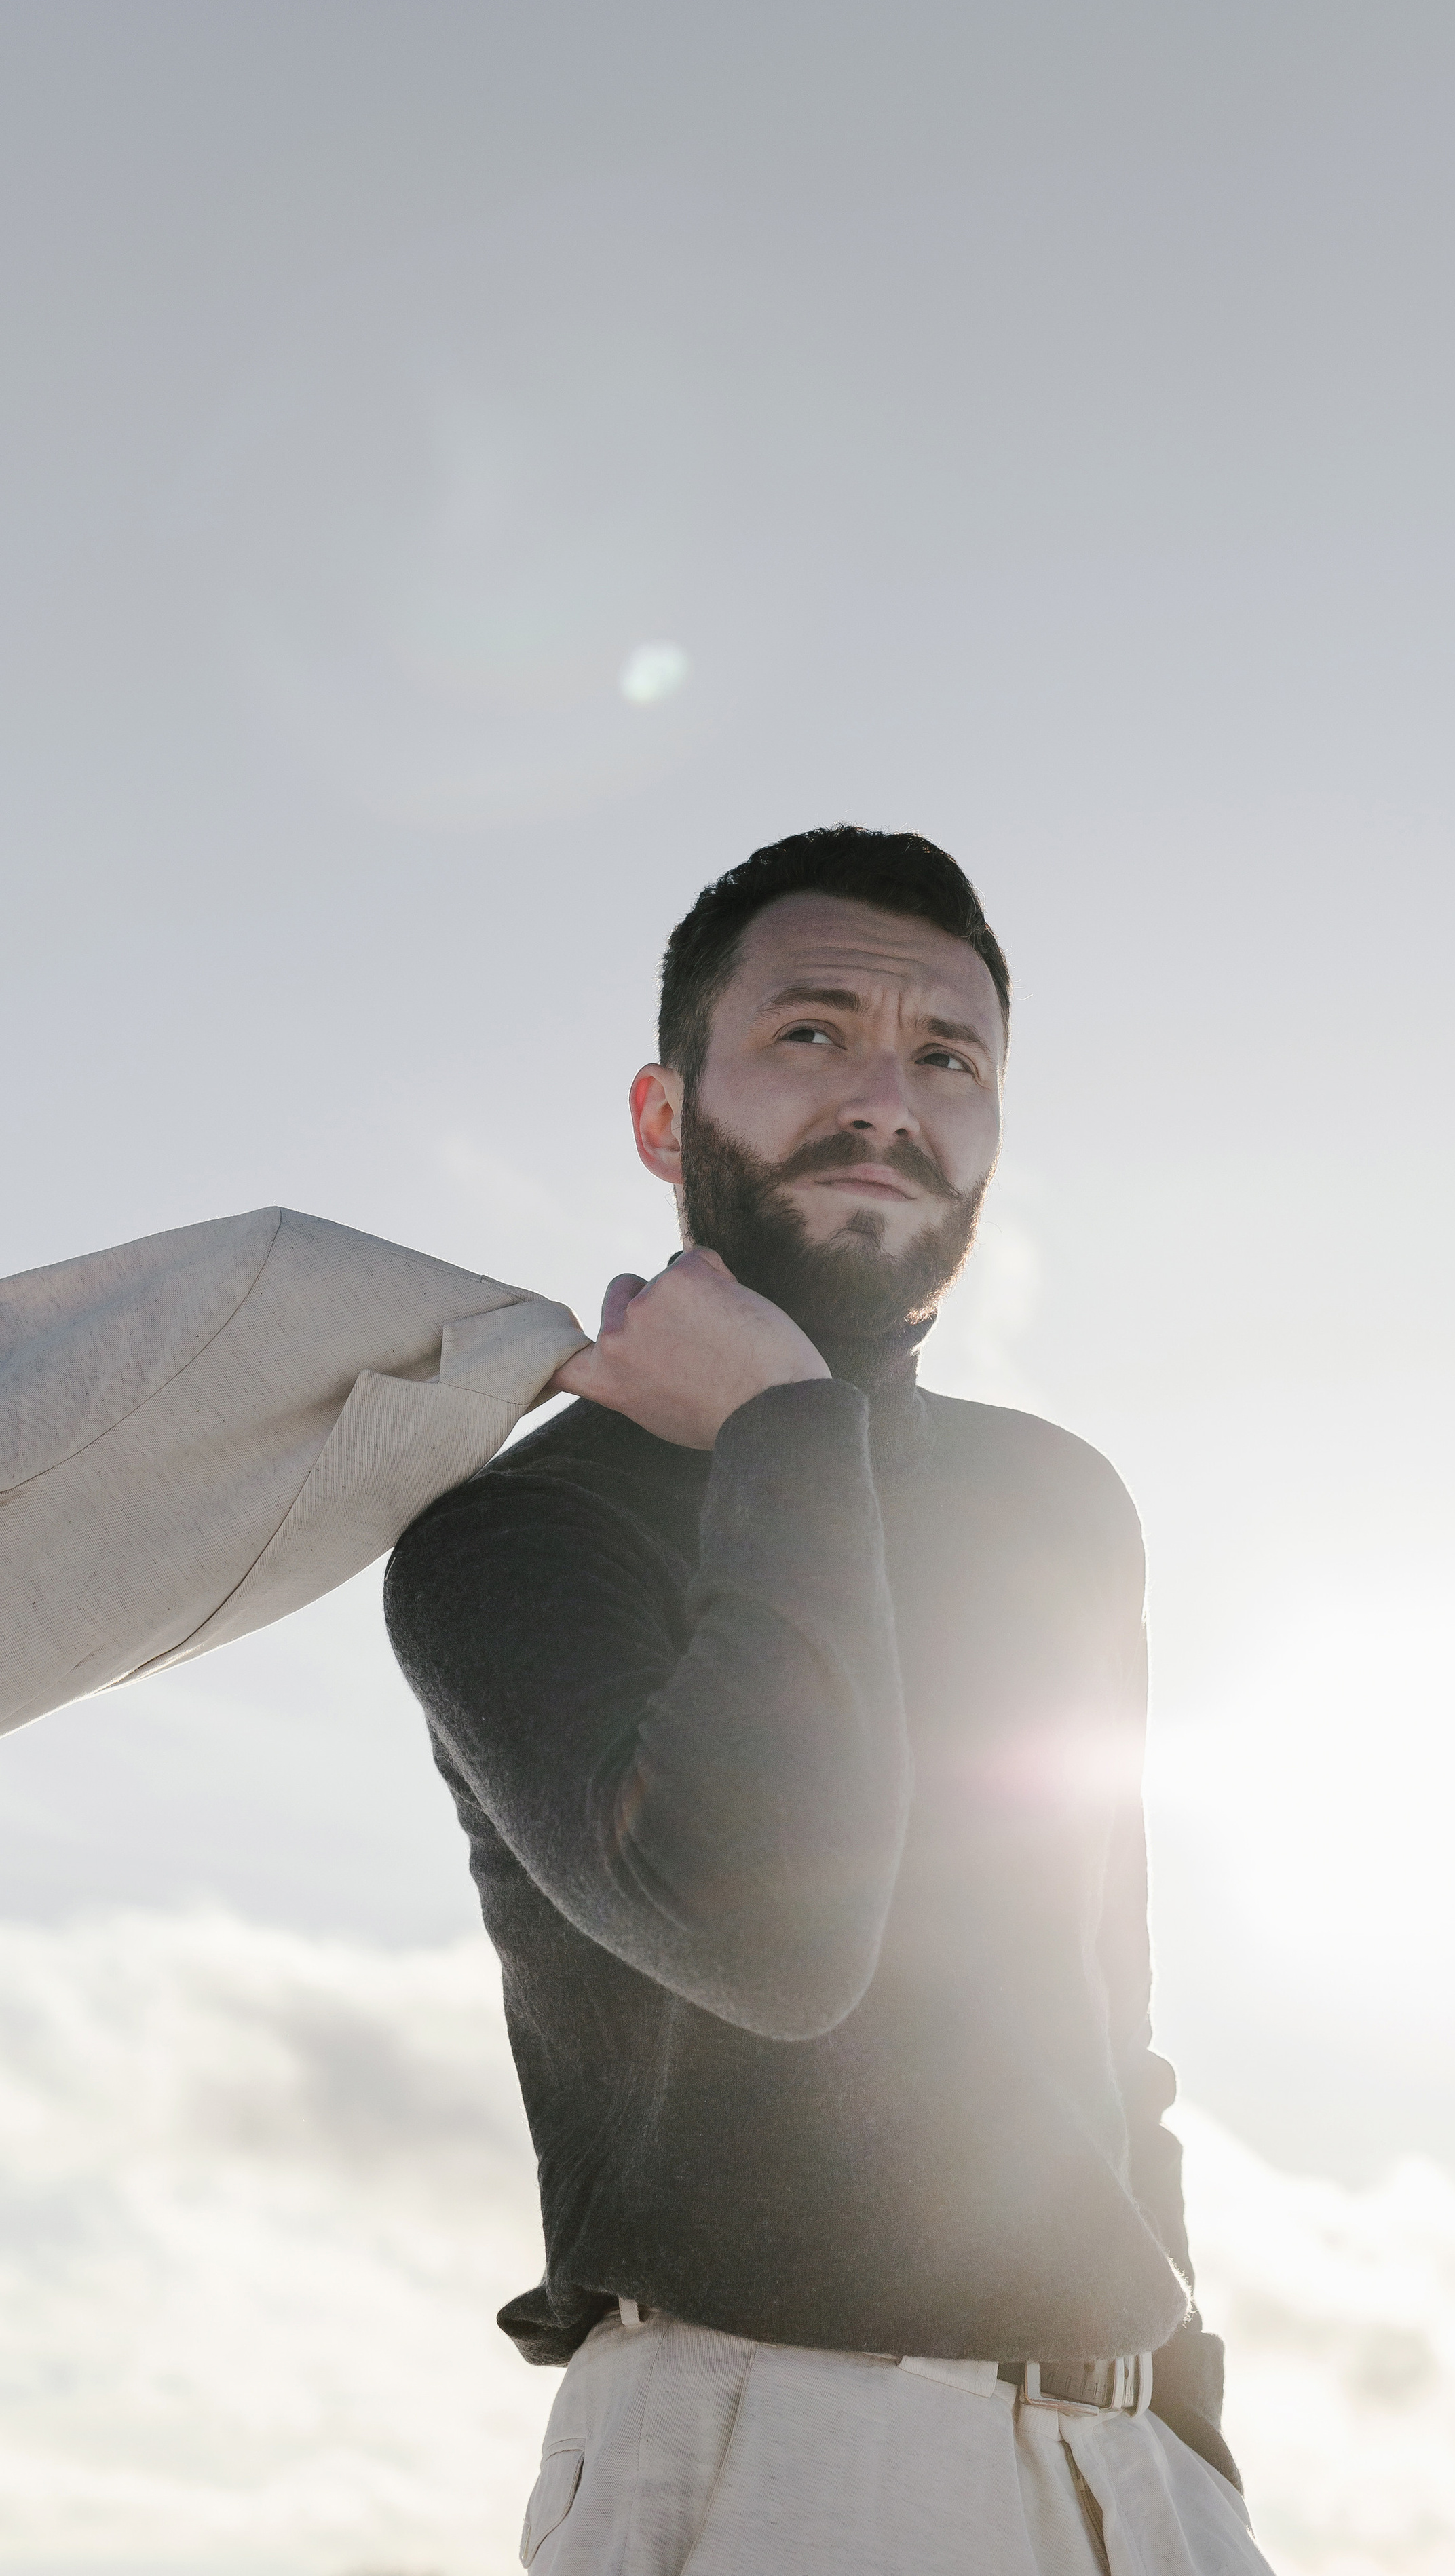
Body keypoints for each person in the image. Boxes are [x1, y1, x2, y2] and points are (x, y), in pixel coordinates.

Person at [385, 827, 1274, 2576]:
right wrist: (787, 1429)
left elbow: (1111, 2034)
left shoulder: (1056, 1507)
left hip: (1129, 2483)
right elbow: (774, 1936)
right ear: (664, 1118)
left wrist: (1194, 2436)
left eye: (950, 1056)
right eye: (814, 1033)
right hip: (764, 2455)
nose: (889, 1097)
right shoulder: (518, 1535)